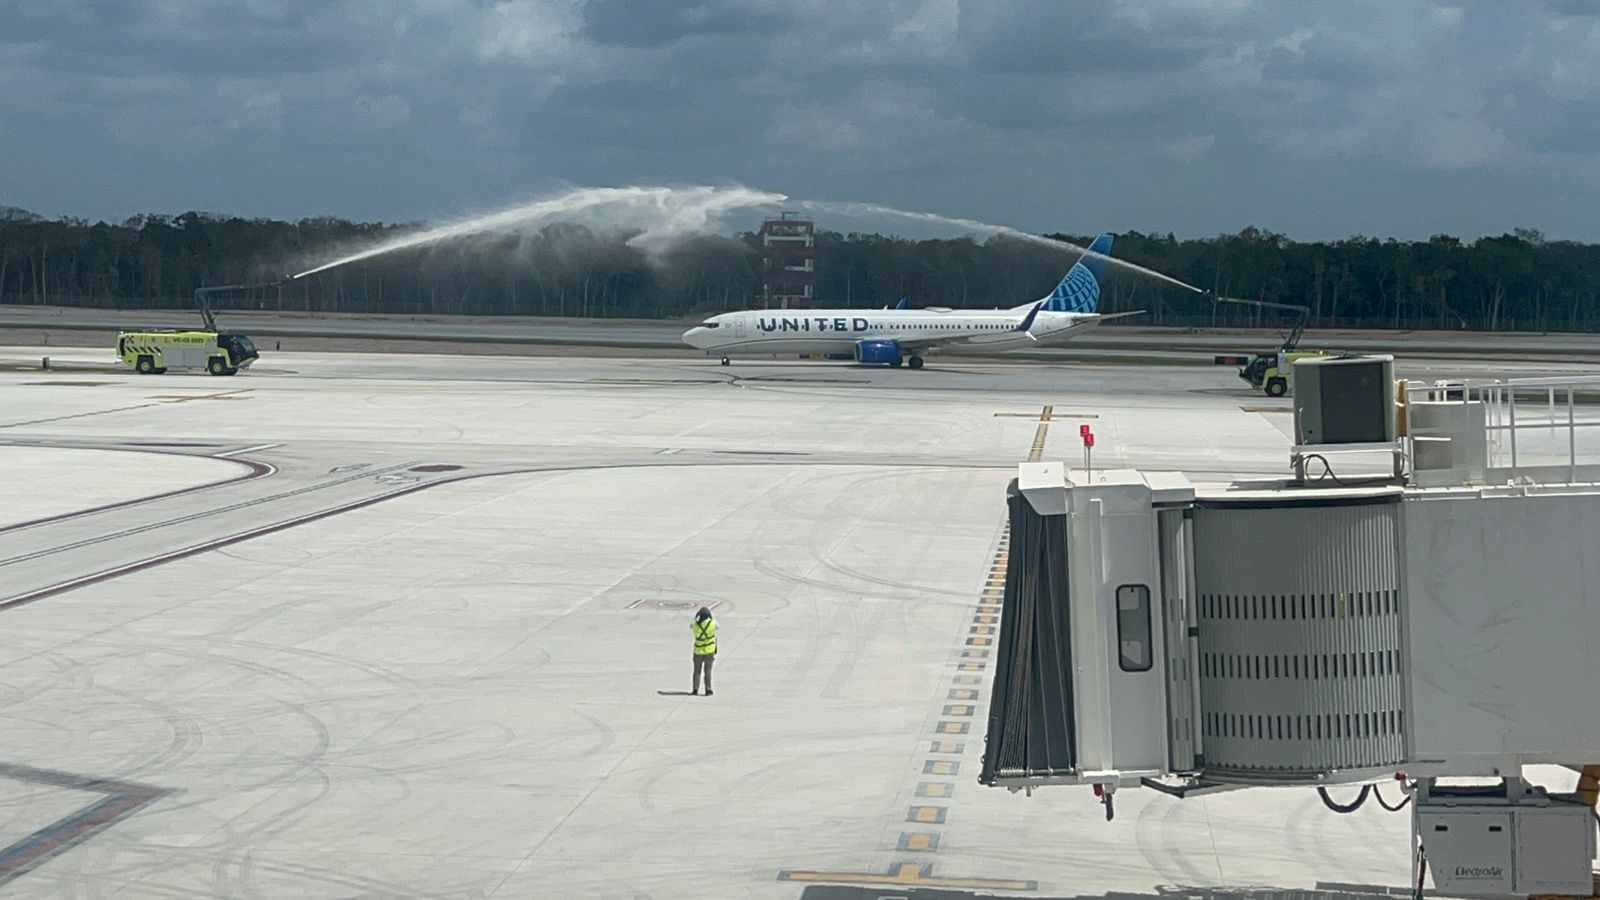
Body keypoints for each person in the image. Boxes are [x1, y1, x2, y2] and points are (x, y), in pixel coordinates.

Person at [691, 607, 717, 696]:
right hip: (709, 651)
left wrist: (695, 618)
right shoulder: (712, 624)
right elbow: (718, 626)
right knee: (708, 671)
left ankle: (695, 689)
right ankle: (708, 689)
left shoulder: (695, 625)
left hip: (698, 651)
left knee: (697, 671)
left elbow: (691, 625)